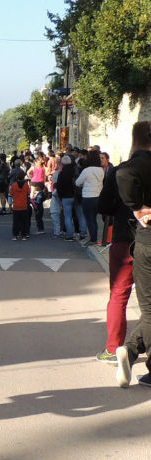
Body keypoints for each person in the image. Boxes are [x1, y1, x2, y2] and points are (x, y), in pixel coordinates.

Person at [115, 121, 151, 387]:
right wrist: (137, 207)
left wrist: (135, 207)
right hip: (146, 240)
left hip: (146, 242)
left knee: (149, 308)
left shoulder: (138, 163)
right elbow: (124, 174)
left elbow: (123, 173)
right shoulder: (140, 164)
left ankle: (130, 349)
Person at [96, 151, 137, 364]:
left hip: (125, 236)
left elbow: (103, 206)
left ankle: (113, 348)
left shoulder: (121, 170)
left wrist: (121, 208)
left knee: (119, 294)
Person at [74, 149, 105, 245]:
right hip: (98, 196)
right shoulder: (101, 170)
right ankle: (94, 237)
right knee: (94, 219)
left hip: (88, 196)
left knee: (89, 219)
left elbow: (78, 183)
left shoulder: (86, 170)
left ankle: (93, 239)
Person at [9, 169, 31, 240]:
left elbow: (10, 195)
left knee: (15, 222)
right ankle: (24, 235)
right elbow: (28, 194)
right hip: (24, 206)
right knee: (24, 222)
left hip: (16, 206)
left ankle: (15, 235)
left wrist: (10, 204)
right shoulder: (26, 185)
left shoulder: (14, 185)